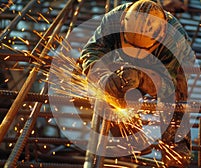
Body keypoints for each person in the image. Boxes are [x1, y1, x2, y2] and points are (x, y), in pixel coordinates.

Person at [78, 0, 195, 167]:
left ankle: (175, 143)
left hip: (168, 68)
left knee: (177, 91)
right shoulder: (113, 20)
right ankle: (130, 138)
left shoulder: (174, 40)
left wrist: (142, 79)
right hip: (122, 59)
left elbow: (168, 85)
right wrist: (103, 77)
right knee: (112, 86)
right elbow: (92, 51)